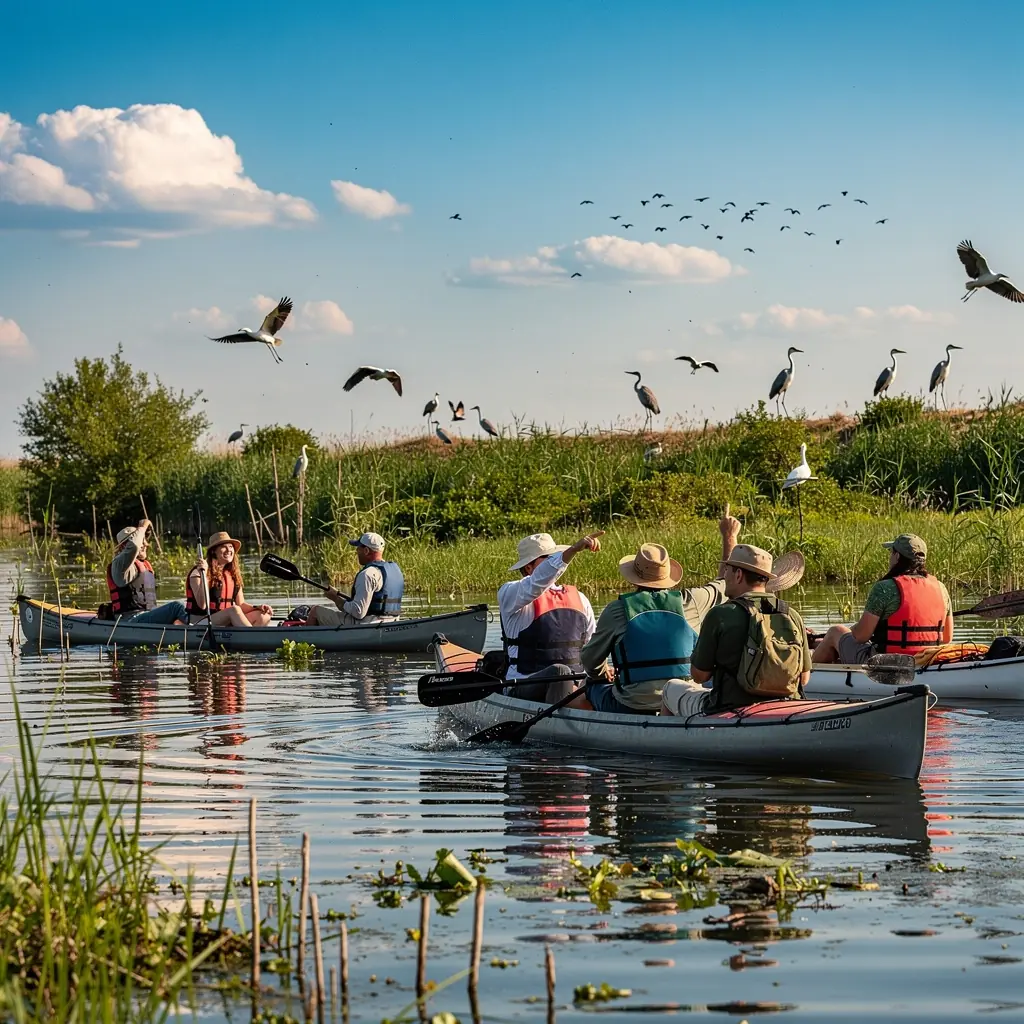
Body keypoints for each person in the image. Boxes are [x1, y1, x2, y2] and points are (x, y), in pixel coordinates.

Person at [580, 509, 742, 714]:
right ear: (667, 574)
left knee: (592, 685)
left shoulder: (617, 610)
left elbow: (590, 661)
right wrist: (729, 536)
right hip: (680, 699)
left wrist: (602, 674)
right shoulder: (690, 602)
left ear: (633, 576)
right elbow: (723, 583)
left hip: (632, 704)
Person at [679, 545, 811, 715]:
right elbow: (804, 678)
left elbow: (699, 676)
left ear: (738, 575)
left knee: (671, 689)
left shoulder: (720, 614)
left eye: (727, 570)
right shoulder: (791, 615)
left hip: (729, 706)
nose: (724, 576)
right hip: (786, 706)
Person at [812, 533, 952, 664]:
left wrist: (852, 629)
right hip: (926, 661)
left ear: (897, 556)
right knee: (829, 640)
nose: (890, 557)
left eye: (891, 552)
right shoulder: (941, 588)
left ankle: (806, 675)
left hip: (885, 664)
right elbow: (946, 638)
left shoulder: (885, 588)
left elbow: (861, 636)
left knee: (835, 632)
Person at [499, 530, 604, 703]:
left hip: (575, 687)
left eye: (557, 555)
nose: (557, 560)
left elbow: (593, 648)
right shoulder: (511, 593)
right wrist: (572, 551)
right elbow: (537, 582)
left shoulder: (580, 598)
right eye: (549, 557)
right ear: (528, 567)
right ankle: (559, 723)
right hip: (524, 688)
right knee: (559, 672)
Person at [305, 532, 404, 626]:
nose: (357, 551)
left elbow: (358, 612)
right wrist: (340, 600)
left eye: (358, 548)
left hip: (367, 625)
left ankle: (305, 639)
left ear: (366, 551)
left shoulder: (368, 574)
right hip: (392, 621)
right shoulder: (395, 570)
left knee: (315, 611)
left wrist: (335, 598)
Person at [106, 519, 187, 624]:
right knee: (177, 607)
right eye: (142, 541)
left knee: (185, 605)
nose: (146, 544)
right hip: (130, 620)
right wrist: (142, 527)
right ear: (124, 546)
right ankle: (200, 632)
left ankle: (195, 627)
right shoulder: (120, 566)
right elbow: (134, 546)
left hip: (145, 616)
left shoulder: (141, 564)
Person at [186, 531, 273, 627]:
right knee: (234, 610)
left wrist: (258, 607)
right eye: (224, 547)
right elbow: (202, 605)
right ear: (213, 551)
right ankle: (252, 637)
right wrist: (204, 574)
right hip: (200, 622)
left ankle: (249, 639)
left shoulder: (232, 574)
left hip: (225, 621)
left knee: (263, 615)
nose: (229, 550)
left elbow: (241, 604)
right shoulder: (197, 573)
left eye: (231, 546)